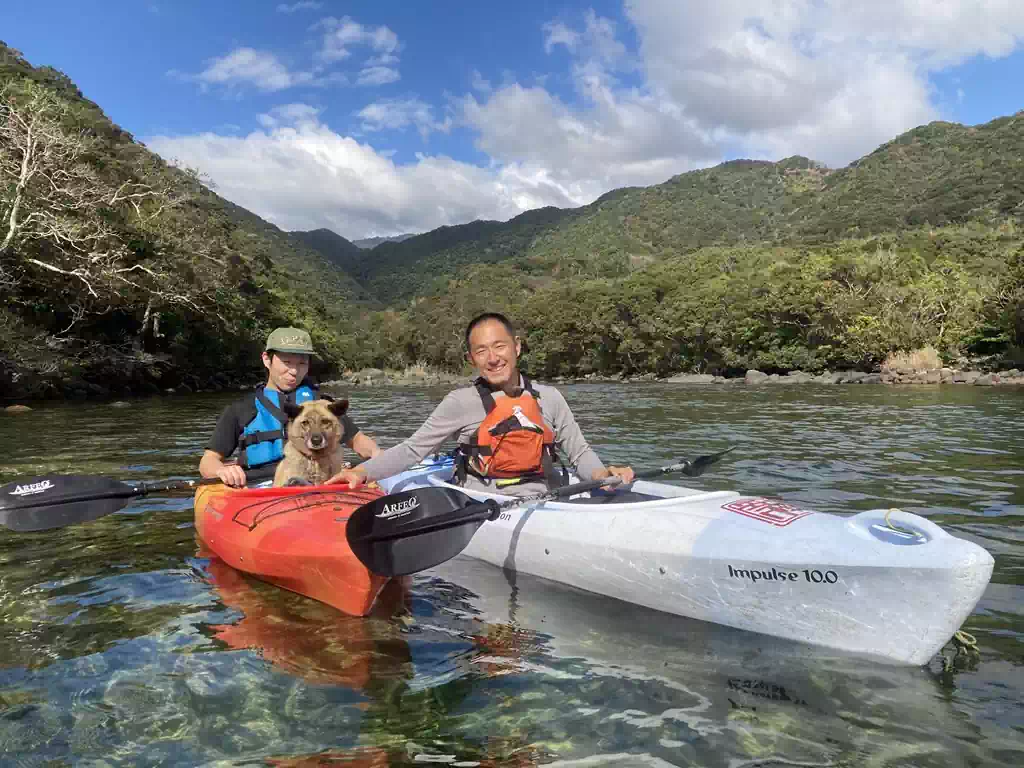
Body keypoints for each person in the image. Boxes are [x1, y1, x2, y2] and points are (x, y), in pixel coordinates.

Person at [327, 312, 633, 495]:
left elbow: (580, 453)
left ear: (516, 347)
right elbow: (413, 450)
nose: (493, 358)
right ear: (471, 359)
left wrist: (600, 475)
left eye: (500, 346)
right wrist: (362, 473)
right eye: (482, 351)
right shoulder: (460, 402)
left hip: (547, 498)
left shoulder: (549, 397)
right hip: (486, 503)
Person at [199, 327, 380, 487]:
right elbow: (208, 461)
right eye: (287, 362)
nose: (294, 371)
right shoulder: (241, 409)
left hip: (320, 483)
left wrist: (378, 454)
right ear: (266, 360)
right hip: (258, 487)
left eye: (302, 363)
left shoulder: (323, 407)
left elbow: (358, 441)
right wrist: (222, 471)